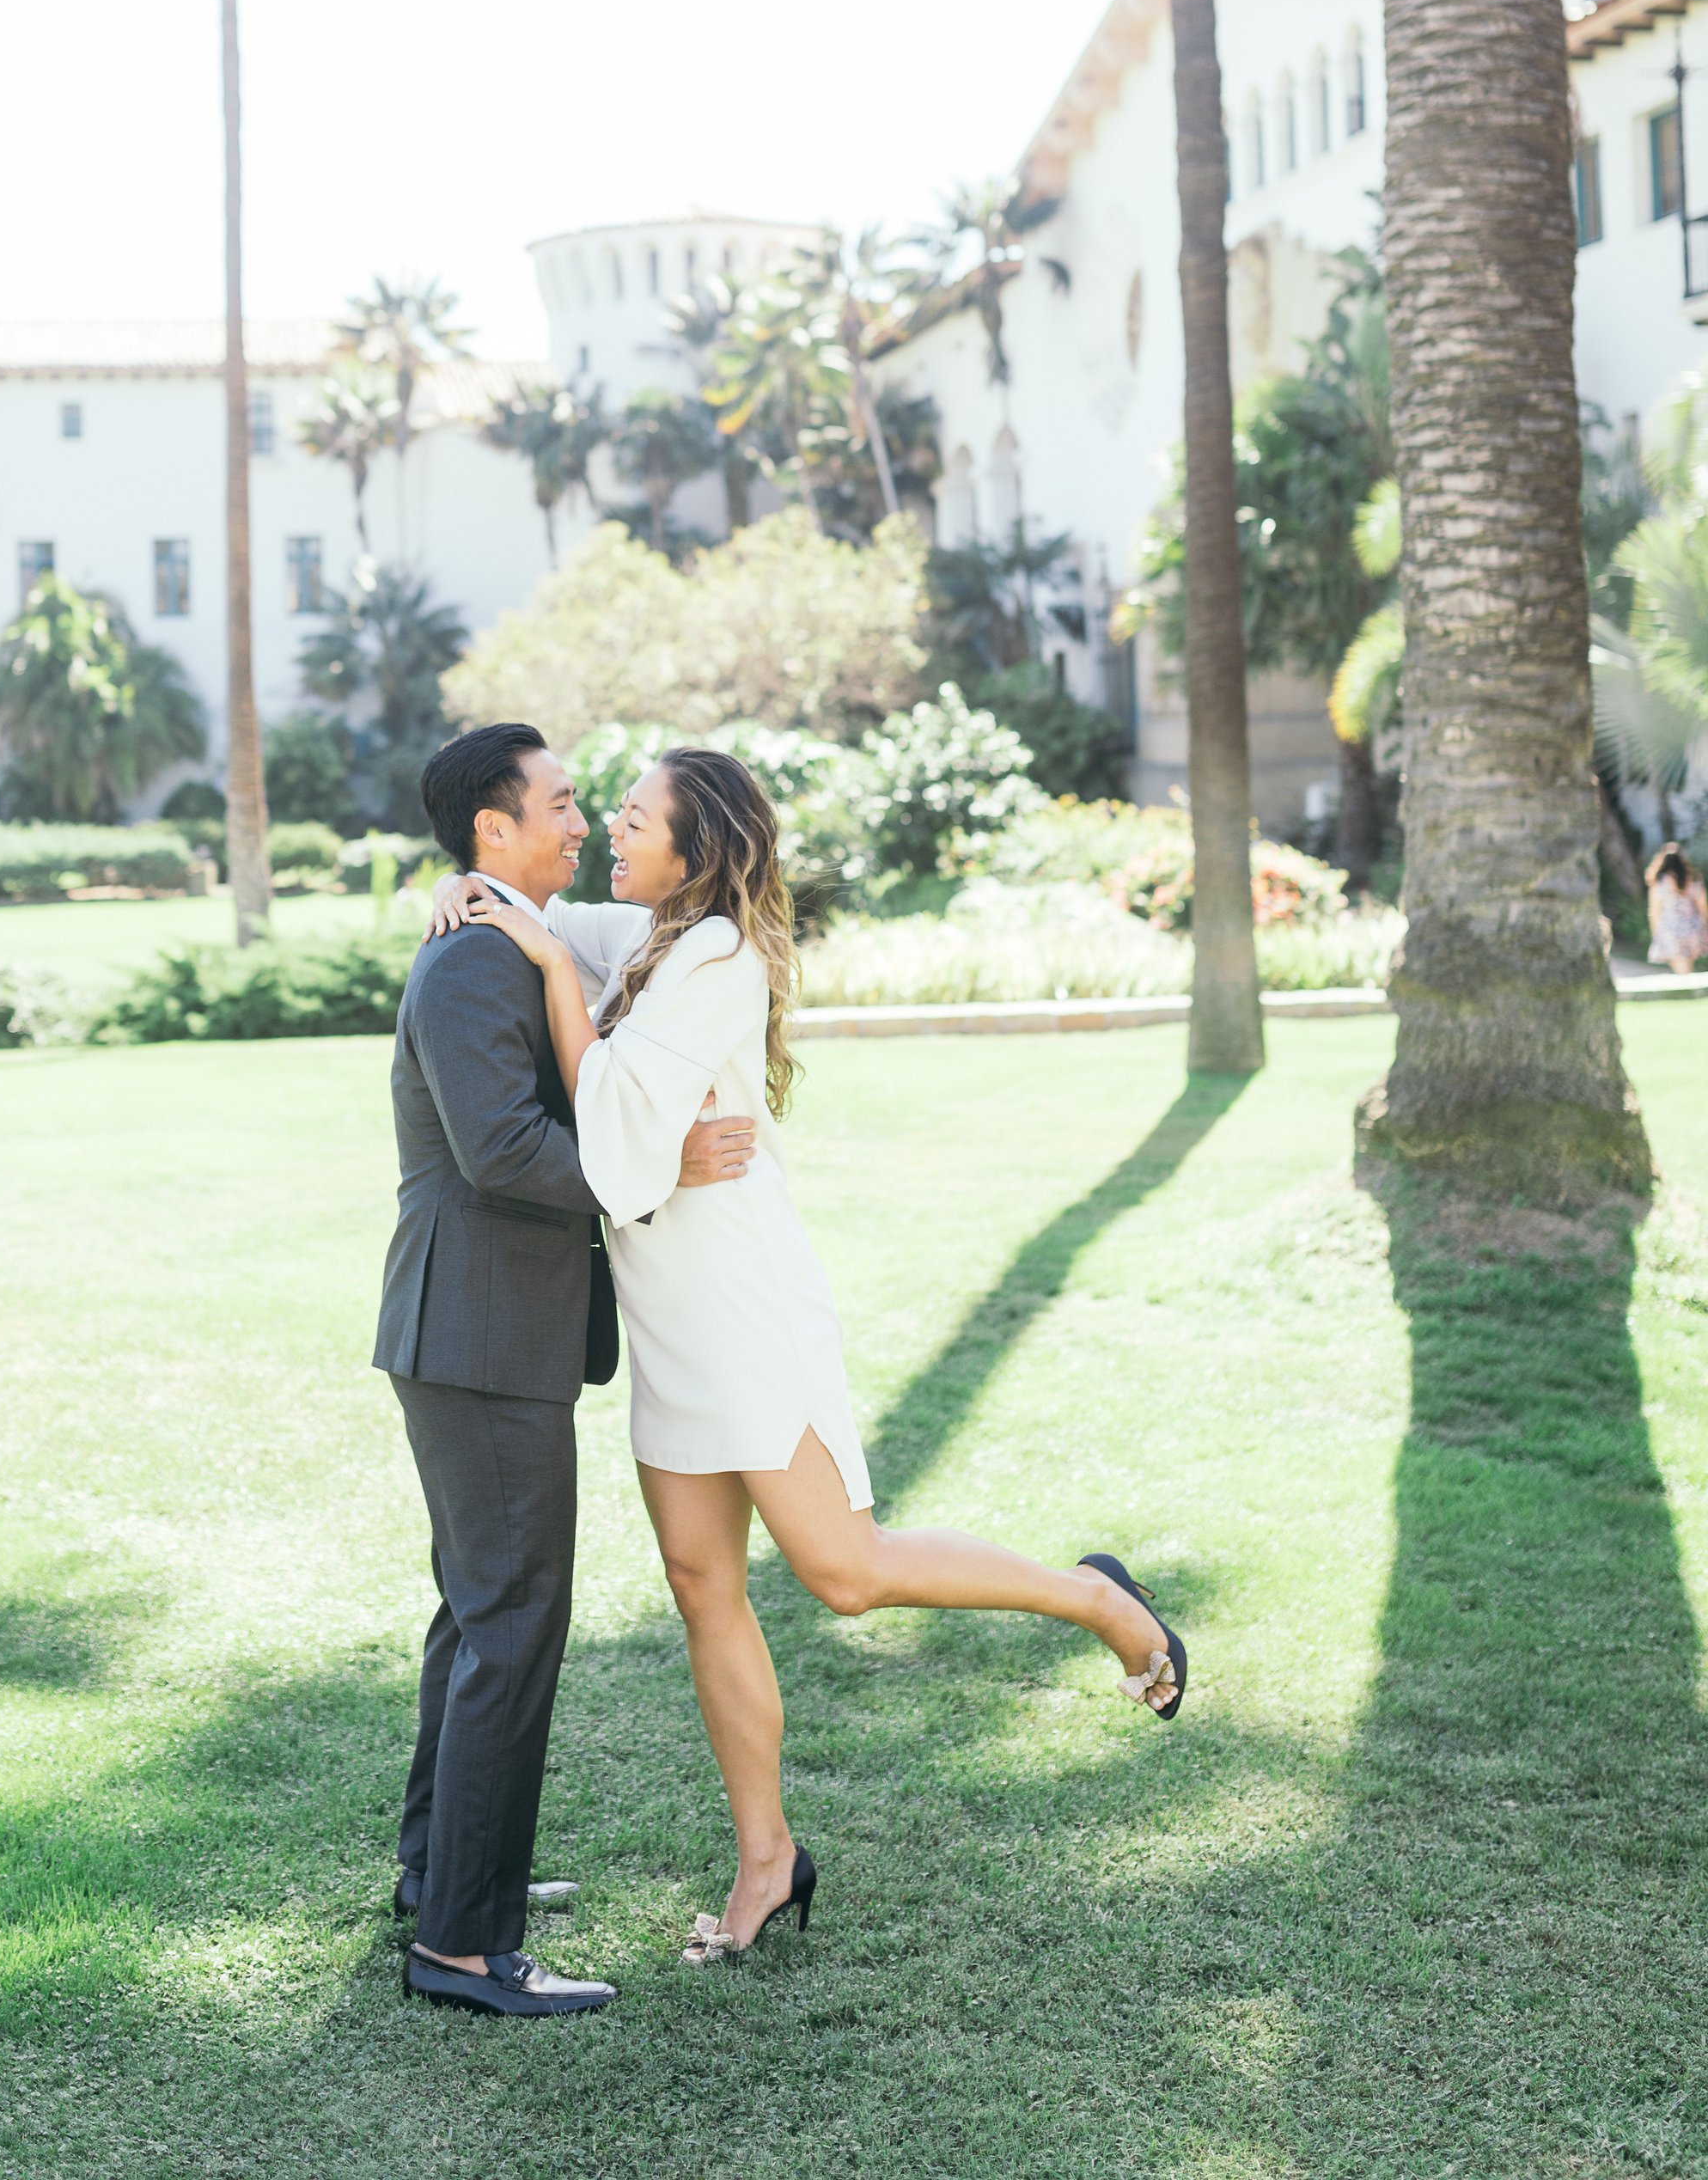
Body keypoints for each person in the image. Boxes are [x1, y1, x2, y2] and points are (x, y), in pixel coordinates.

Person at [428, 743, 1188, 1967]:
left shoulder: (719, 954)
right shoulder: (653, 939)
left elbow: (620, 1111)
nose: (611, 834)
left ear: (697, 847)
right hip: (671, 1321)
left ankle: (1102, 1600)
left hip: (740, 1307)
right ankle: (767, 1861)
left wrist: (542, 969)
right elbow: (549, 917)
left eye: (633, 820)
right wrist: (486, 902)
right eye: (605, 814)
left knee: (844, 1570)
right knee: (700, 1588)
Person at [375, 720, 758, 2020]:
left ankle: (444, 1880)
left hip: (484, 1332)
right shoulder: (474, 968)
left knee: (479, 1612)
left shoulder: (505, 937)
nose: (582, 819)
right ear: (495, 827)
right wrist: (651, 1171)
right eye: (560, 800)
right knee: (514, 1617)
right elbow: (503, 1154)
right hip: (478, 1335)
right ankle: (464, 1949)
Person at [1647, 842, 1707, 975]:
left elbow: (1655, 910)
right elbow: (1702, 905)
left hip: (1671, 930)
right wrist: (1704, 926)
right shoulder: (1694, 879)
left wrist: (1656, 933)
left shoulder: (1660, 882)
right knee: (1686, 967)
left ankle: (1691, 992)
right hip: (1692, 927)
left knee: (1681, 970)